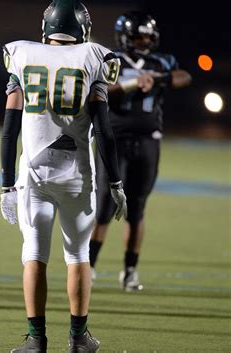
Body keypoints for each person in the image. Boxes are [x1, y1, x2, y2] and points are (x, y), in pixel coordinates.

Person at [0, 1, 127, 351]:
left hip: (34, 174)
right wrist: (115, 181)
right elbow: (103, 129)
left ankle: (36, 340)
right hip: (77, 174)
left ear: (47, 26)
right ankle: (79, 338)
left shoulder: (22, 54)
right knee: (78, 255)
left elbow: (10, 130)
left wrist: (5, 182)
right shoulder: (94, 56)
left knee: (34, 253)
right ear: (82, 27)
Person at [89, 11, 192, 292]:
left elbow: (184, 77)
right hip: (114, 140)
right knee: (104, 207)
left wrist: (158, 80)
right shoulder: (110, 59)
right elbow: (99, 89)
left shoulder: (162, 62)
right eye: (138, 36)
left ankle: (130, 271)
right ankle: (90, 267)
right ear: (125, 37)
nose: (144, 40)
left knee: (137, 209)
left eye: (148, 36)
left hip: (148, 141)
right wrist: (132, 84)